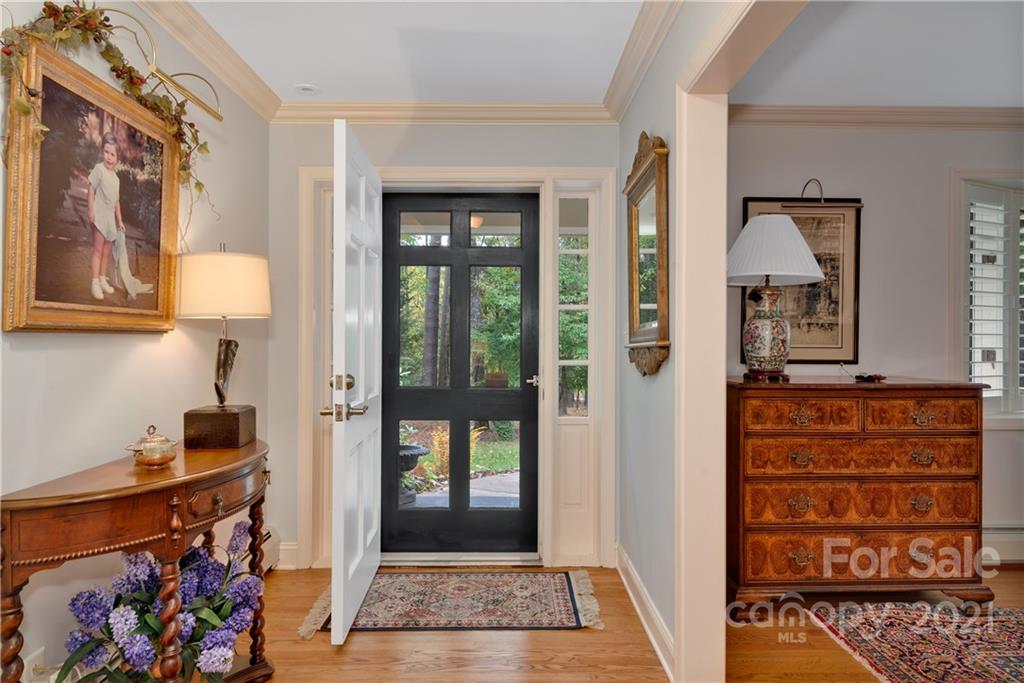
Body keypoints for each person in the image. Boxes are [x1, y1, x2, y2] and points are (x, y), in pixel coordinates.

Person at [86, 133, 152, 301]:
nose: (109, 157)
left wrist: (120, 221)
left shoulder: (116, 179)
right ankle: (94, 282)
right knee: (98, 250)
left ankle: (102, 279)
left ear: (117, 159)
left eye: (112, 154)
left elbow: (116, 202)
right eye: (106, 152)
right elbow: (91, 189)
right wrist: (91, 210)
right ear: (102, 152)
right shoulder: (98, 169)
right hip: (100, 215)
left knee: (107, 252)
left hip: (110, 219)